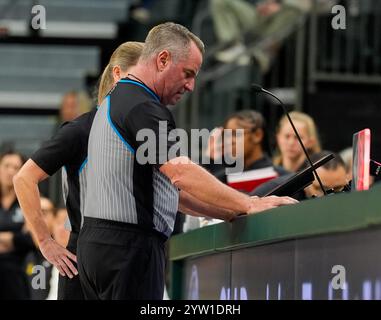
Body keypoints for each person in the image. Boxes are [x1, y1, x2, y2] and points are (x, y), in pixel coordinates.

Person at [77, 22, 297, 300]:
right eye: (188, 74)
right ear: (163, 59)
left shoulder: (116, 99)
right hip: (127, 250)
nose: (192, 86)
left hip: (102, 247)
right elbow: (180, 172)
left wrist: (230, 212)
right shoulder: (142, 105)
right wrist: (250, 203)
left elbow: (173, 193)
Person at [13, 41, 144, 300]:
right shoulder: (82, 129)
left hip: (132, 252)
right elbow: (24, 177)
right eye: (141, 79)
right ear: (118, 76)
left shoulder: (140, 131)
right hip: (83, 252)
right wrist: (45, 241)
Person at [0, 150, 34, 300]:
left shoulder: (28, 201)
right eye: (6, 166)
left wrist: (13, 238)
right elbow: (21, 237)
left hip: (19, 270)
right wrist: (14, 237)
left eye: (16, 167)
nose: (10, 171)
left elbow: (30, 239)